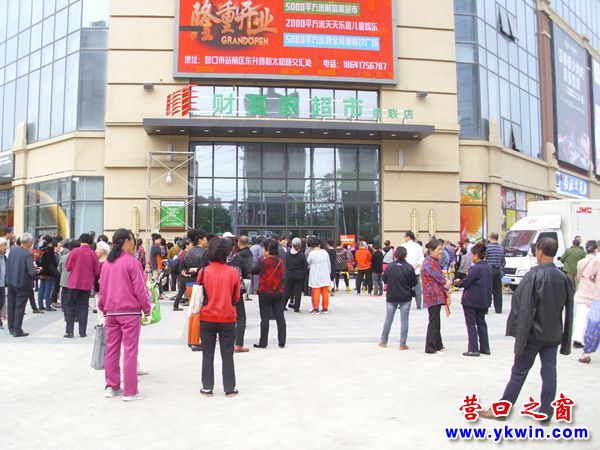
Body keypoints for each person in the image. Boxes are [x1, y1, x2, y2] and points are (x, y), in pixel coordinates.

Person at [480, 238, 573, 423]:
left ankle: (502, 409)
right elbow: (568, 311)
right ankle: (546, 412)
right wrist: (565, 337)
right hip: (553, 334)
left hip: (532, 334)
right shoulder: (563, 278)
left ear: (540, 251)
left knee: (519, 371)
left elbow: (524, 309)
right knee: (549, 372)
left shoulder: (533, 276)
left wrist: (520, 337)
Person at [98, 228, 151, 402]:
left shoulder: (107, 263)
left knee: (112, 350)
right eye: (133, 241)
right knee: (130, 351)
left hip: (111, 312)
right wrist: (146, 308)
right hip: (129, 313)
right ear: (127, 242)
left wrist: (103, 307)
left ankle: (112, 386)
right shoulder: (132, 262)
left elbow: (102, 289)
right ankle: (130, 391)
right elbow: (140, 289)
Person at [193, 237, 240, 397]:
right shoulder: (233, 272)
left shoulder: (203, 272)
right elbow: (236, 297)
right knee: (227, 354)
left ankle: (207, 387)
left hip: (207, 318)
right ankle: (229, 388)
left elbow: (199, 294)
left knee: (207, 354)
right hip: (227, 317)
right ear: (227, 252)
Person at [455, 243, 492, 357]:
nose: (470, 256)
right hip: (483, 300)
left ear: (476, 255)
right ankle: (485, 347)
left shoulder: (476, 268)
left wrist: (458, 282)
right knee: (482, 323)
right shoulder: (488, 267)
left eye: (471, 254)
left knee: (471, 324)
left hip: (471, 300)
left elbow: (467, 282)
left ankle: (473, 348)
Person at [379, 247, 417, 350]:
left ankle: (383, 341)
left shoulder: (390, 266)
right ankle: (402, 344)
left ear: (395, 255)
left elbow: (385, 280)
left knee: (388, 320)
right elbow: (414, 282)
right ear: (406, 255)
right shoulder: (409, 267)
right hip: (405, 297)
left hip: (391, 296)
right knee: (404, 321)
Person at [65, 233, 101, 338]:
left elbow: (68, 267)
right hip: (86, 284)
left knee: (70, 307)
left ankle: (69, 331)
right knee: (83, 307)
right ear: (90, 242)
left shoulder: (74, 251)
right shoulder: (93, 254)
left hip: (73, 283)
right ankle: (82, 332)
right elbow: (97, 271)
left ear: (80, 241)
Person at [251, 239, 286, 348]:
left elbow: (253, 271)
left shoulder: (263, 261)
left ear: (267, 250)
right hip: (278, 291)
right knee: (280, 317)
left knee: (265, 318)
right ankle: (282, 341)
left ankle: (263, 342)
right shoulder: (280, 261)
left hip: (265, 292)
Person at [422, 239, 452, 354]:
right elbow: (441, 280)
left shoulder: (432, 261)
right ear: (431, 250)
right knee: (434, 322)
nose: (441, 252)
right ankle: (430, 348)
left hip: (434, 296)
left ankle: (438, 345)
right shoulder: (430, 262)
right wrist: (448, 293)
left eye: (441, 249)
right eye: (439, 249)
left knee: (436, 321)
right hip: (433, 296)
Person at [181, 228, 208, 352]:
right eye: (205, 239)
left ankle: (190, 338)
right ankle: (195, 341)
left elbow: (182, 269)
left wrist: (189, 271)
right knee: (198, 313)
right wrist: (196, 270)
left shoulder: (188, 252)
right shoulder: (204, 253)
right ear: (200, 239)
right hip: (199, 285)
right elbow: (204, 270)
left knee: (192, 312)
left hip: (189, 285)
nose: (206, 241)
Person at [6, 233, 37, 337]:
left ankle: (11, 327)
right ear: (29, 242)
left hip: (11, 282)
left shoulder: (13, 250)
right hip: (22, 284)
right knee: (20, 307)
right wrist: (37, 269)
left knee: (11, 305)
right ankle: (17, 330)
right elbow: (31, 272)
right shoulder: (27, 254)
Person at [224, 235, 251, 353]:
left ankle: (226, 342)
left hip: (222, 290)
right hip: (236, 290)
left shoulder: (219, 259)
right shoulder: (238, 259)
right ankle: (238, 344)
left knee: (225, 316)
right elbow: (245, 273)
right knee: (240, 317)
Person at [572, 240, 600, 348]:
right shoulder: (597, 261)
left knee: (580, 317)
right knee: (592, 318)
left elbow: (579, 276)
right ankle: (589, 339)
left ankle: (577, 339)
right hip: (594, 293)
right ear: (595, 249)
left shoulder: (580, 262)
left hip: (582, 291)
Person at [306, 237, 332, 314]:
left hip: (315, 275)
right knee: (325, 292)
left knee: (316, 291)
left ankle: (316, 307)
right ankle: (325, 308)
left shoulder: (312, 253)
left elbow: (308, 263)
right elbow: (329, 264)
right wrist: (329, 273)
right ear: (319, 245)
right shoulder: (325, 252)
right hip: (325, 274)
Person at [401, 231, 425, 309]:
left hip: (404, 270)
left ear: (408, 237)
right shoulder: (418, 246)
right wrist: (414, 267)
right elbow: (421, 259)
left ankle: (403, 303)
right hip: (415, 270)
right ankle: (418, 304)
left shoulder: (403, 246)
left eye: (404, 236)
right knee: (417, 287)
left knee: (404, 287)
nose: (404, 238)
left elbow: (400, 258)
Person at [284, 237, 308, 312]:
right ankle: (296, 308)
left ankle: (283, 306)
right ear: (300, 245)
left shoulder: (287, 254)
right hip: (298, 275)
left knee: (287, 291)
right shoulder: (301, 255)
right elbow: (305, 265)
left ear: (292, 244)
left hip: (289, 274)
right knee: (298, 292)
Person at [37, 236, 59, 312]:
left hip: (41, 270)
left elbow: (37, 260)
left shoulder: (40, 248)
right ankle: (48, 306)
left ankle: (40, 305)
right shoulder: (50, 249)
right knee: (48, 289)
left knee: (41, 288)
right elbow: (52, 261)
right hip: (49, 271)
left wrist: (41, 266)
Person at [485, 233, 505, 314]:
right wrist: (501, 268)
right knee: (498, 291)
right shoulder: (501, 248)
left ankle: (486, 308)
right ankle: (498, 309)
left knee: (487, 290)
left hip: (489, 270)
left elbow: (484, 258)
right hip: (498, 270)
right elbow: (503, 261)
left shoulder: (487, 247)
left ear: (490, 237)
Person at [0, 238, 7, 329]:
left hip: (2, 284)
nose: (6, 247)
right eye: (4, 245)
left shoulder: (4, 257)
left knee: (2, 302)